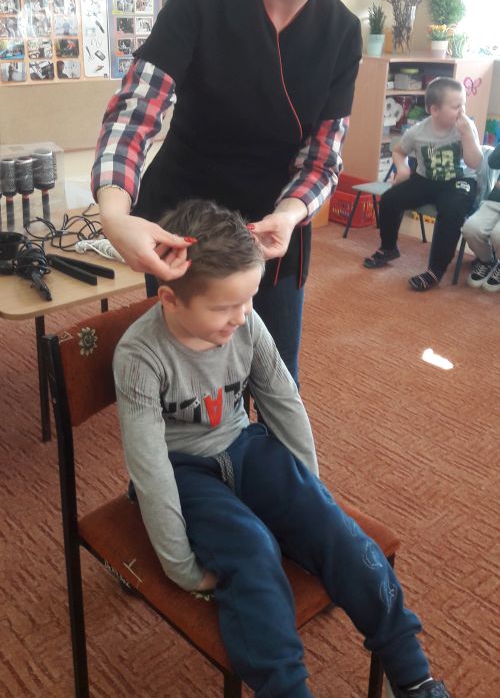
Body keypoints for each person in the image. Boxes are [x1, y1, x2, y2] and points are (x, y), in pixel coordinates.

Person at [113, 198, 452, 698]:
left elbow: (282, 401)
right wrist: (180, 564)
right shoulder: (139, 355)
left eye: (248, 300)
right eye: (224, 307)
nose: (241, 317)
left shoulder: (247, 323)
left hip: (245, 447)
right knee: (253, 552)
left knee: (334, 527)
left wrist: (309, 492)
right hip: (182, 470)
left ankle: (413, 672)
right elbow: (149, 465)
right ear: (170, 299)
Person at [91, 0, 385, 383]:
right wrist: (115, 215)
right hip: (182, 230)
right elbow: (134, 115)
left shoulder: (344, 34)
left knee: (275, 380)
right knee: (186, 383)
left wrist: (290, 215)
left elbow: (323, 159)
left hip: (270, 238)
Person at [363, 78, 483, 291]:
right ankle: (388, 248)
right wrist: (402, 168)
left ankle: (435, 270)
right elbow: (399, 151)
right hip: (426, 179)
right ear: (434, 110)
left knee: (451, 211)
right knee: (390, 198)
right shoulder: (417, 131)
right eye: (456, 106)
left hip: (459, 181)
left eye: (463, 105)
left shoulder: (466, 127)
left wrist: (466, 135)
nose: (462, 111)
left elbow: (475, 163)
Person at [461, 141, 500, 291]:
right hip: (496, 199)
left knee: (498, 235)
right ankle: (486, 261)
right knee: (471, 229)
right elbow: (493, 162)